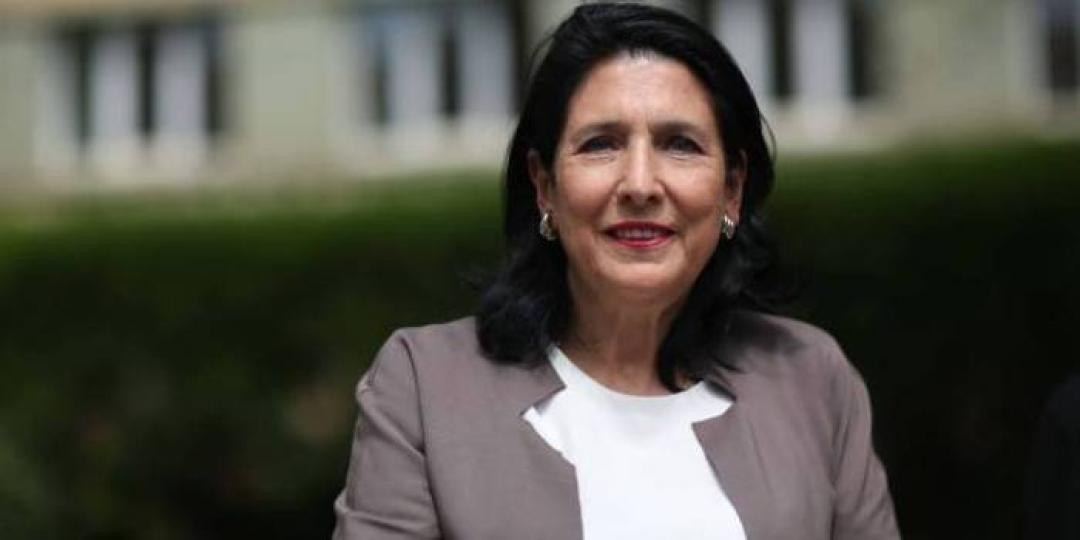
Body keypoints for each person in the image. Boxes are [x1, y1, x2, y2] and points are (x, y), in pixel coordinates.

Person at [332, 3, 899, 539]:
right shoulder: (426, 387)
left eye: (680, 144)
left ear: (731, 189)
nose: (640, 185)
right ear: (544, 186)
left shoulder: (811, 377)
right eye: (601, 144)